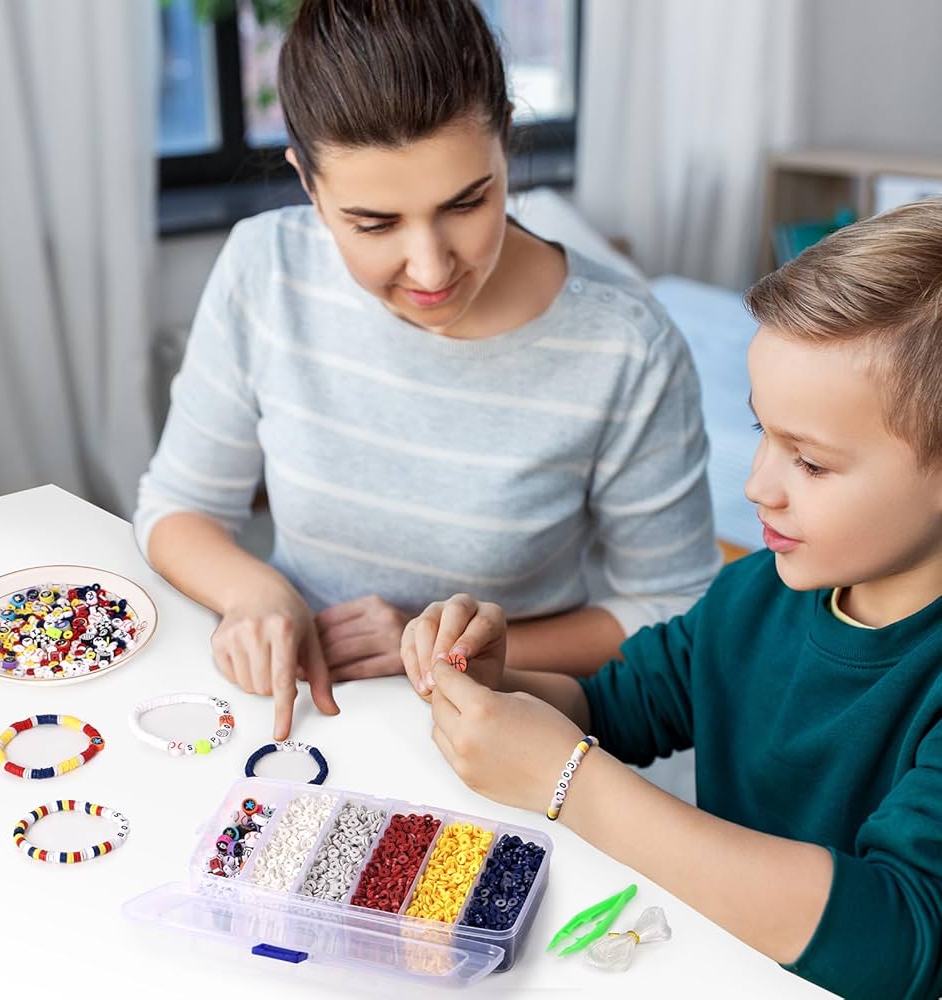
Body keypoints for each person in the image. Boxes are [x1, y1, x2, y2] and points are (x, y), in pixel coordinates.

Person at [134, 0, 719, 740]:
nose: (431, 268)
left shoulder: (626, 345)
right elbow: (176, 505)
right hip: (300, 723)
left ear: (506, 139)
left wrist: (442, 650)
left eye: (469, 202)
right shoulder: (265, 268)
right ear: (308, 185)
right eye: (374, 223)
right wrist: (257, 593)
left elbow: (674, 608)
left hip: (504, 734)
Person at [401, 199, 942, 1000]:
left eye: (812, 464)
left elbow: (896, 942)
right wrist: (499, 680)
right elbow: (615, 704)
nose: (759, 486)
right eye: (762, 432)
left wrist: (566, 781)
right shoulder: (757, 591)